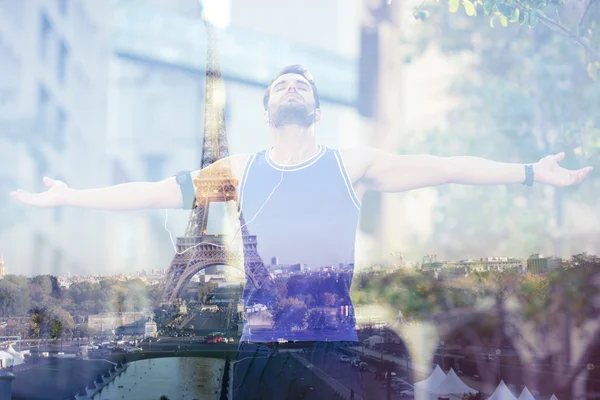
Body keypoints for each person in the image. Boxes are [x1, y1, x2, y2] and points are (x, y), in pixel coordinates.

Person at [10, 65, 592, 399]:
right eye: (282, 86)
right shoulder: (239, 171)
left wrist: (527, 174)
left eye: (301, 86)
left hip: (335, 352)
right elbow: (155, 192)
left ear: (315, 109)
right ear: (266, 112)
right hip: (260, 352)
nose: (292, 88)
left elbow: (439, 165)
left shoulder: (351, 162)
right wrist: (72, 196)